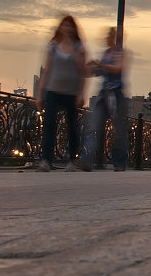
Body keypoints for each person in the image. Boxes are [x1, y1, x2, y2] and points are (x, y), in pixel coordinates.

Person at [36, 15, 92, 172]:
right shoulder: (53, 47)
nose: (67, 28)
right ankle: (46, 160)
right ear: (60, 28)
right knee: (50, 125)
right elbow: (46, 71)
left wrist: (82, 94)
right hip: (53, 90)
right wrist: (40, 93)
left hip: (72, 92)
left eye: (70, 26)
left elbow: (83, 73)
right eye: (64, 25)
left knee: (72, 127)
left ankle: (72, 161)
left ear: (74, 29)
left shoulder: (79, 48)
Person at [84, 27, 129, 171]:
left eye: (110, 36)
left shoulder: (121, 53)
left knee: (119, 130)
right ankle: (87, 160)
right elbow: (97, 72)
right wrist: (90, 67)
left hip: (116, 94)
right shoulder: (105, 54)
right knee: (95, 126)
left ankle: (119, 163)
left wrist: (100, 65)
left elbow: (118, 69)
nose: (107, 38)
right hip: (104, 94)